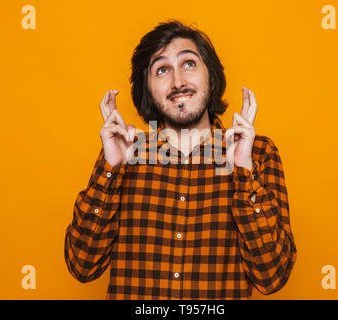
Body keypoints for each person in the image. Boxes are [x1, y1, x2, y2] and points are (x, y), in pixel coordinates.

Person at [64, 20, 297, 300]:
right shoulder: (123, 154)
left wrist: (244, 171)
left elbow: (272, 277)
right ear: (147, 89)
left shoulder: (258, 154)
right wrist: (111, 171)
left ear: (211, 76)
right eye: (162, 70)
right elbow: (82, 266)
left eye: (188, 63)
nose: (177, 82)